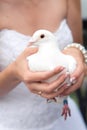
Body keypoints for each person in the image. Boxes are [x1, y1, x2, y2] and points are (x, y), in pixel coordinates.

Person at [0, 0, 87, 129]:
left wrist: (77, 54)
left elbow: (78, 44)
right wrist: (14, 73)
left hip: (62, 117)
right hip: (13, 123)